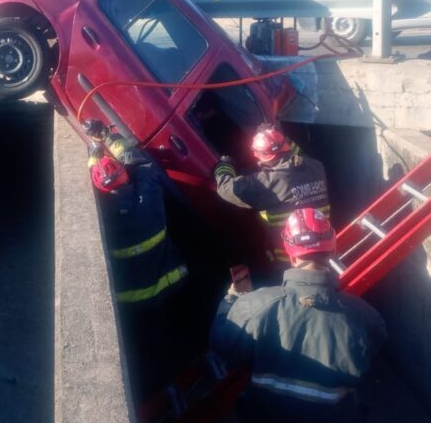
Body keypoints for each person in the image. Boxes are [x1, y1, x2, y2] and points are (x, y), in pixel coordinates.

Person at [209, 208, 387, 422]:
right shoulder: (365, 317)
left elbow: (222, 342)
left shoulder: (254, 306)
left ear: (291, 255)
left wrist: (231, 299)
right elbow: (373, 353)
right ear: (332, 250)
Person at [85, 119, 190, 403]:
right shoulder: (148, 198)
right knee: (171, 334)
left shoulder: (102, 220)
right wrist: (108, 137)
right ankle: (177, 378)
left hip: (132, 300)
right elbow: (142, 164)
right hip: (170, 283)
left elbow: (98, 180)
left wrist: (94, 154)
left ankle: (154, 393)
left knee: (144, 347)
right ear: (125, 177)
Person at [214, 125, 330, 272]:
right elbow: (299, 154)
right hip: (323, 250)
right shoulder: (316, 166)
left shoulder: (266, 182)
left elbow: (226, 188)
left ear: (258, 155)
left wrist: (224, 165)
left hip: (290, 261)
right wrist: (277, 136)